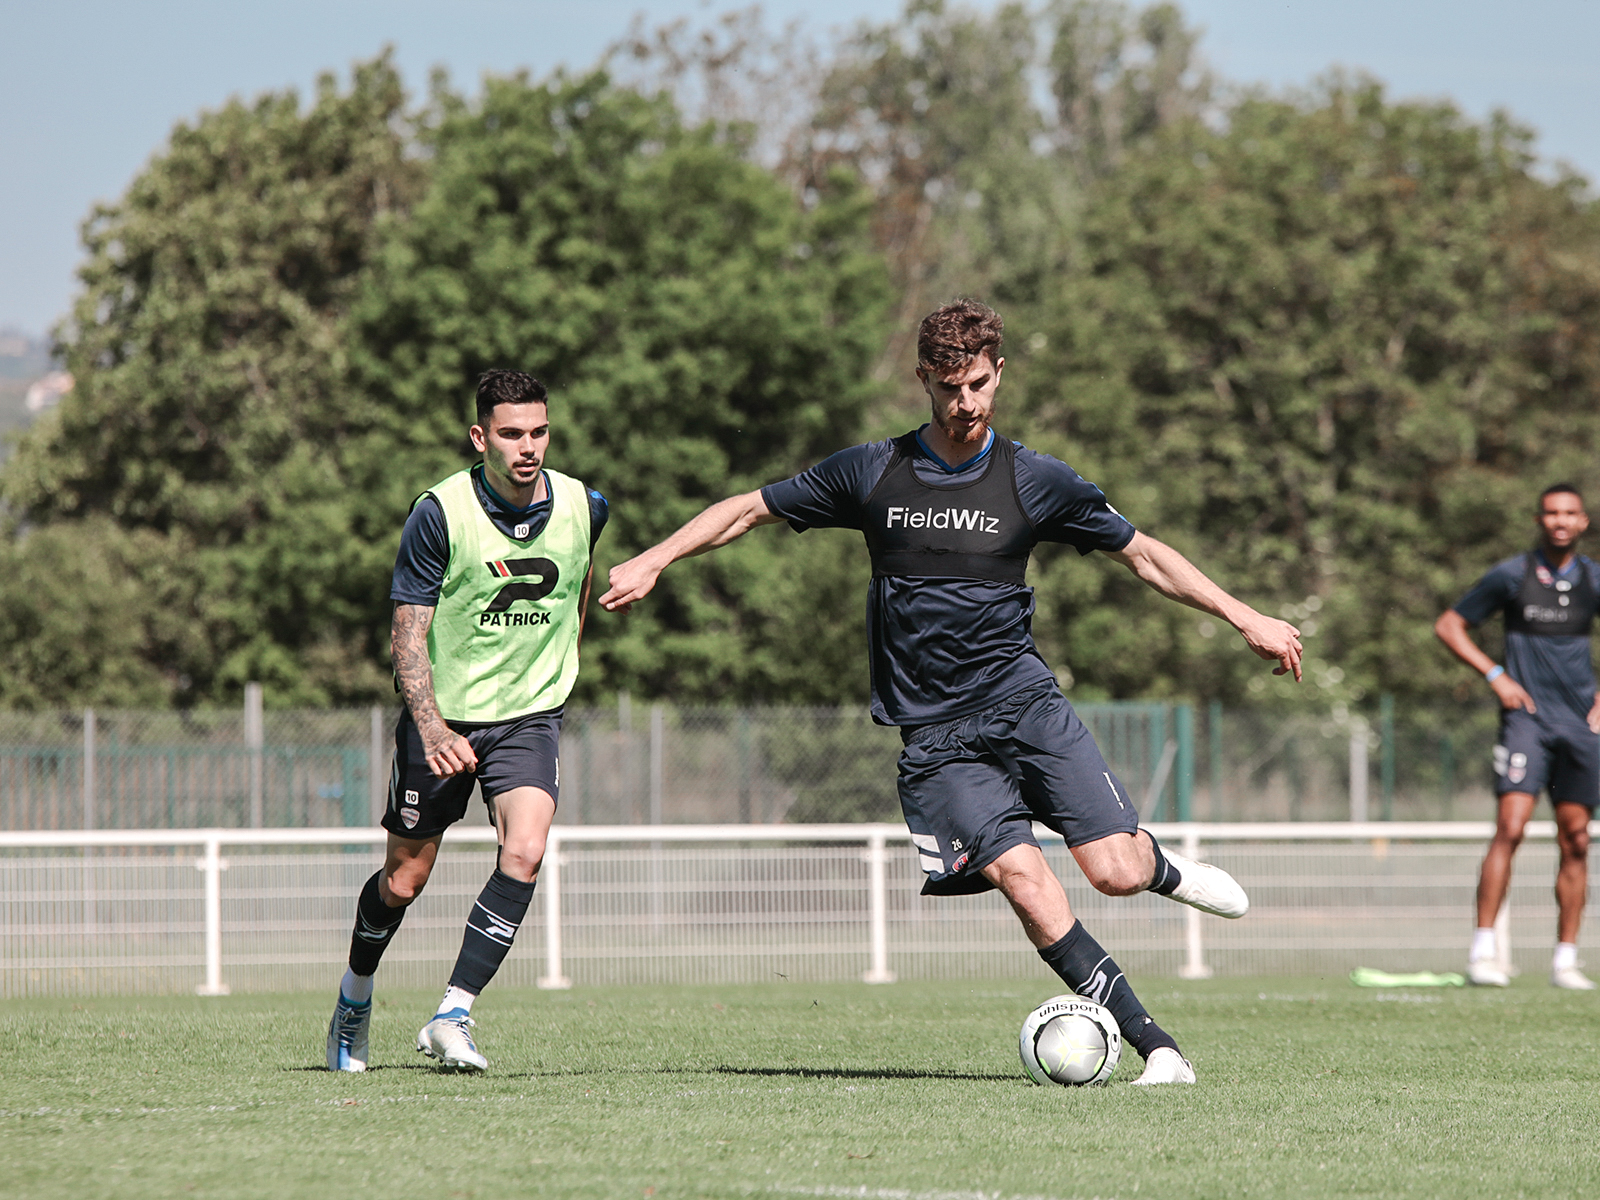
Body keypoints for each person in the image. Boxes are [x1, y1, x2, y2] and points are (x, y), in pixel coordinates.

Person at [599, 299, 1302, 1084]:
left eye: (975, 385)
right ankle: (1158, 1048)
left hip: (1025, 706)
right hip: (935, 742)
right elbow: (748, 511)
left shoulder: (1034, 479)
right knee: (1025, 882)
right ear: (923, 382)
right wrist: (658, 558)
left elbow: (1144, 556)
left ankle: (1161, 868)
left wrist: (1246, 617)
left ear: (998, 372)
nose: (963, 404)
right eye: (946, 388)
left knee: (1115, 874)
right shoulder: (874, 471)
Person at [326, 369, 609, 1072]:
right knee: (403, 882)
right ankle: (354, 997)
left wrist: (555, 672)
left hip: (529, 716)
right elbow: (406, 633)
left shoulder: (584, 504)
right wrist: (434, 729)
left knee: (526, 850)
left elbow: (573, 590)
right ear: (480, 437)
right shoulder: (439, 513)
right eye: (512, 434)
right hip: (444, 721)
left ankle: (453, 1012)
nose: (528, 447)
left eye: (539, 431)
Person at [1434, 483, 1600, 990]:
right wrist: (1495, 675)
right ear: (1539, 519)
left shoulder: (1593, 579)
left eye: (1569, 513)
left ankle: (1565, 961)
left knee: (1575, 841)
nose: (1560, 521)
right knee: (1511, 827)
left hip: (1581, 726)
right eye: (1551, 512)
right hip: (1526, 721)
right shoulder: (1513, 574)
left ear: (1583, 522)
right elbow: (1449, 625)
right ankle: (1484, 953)